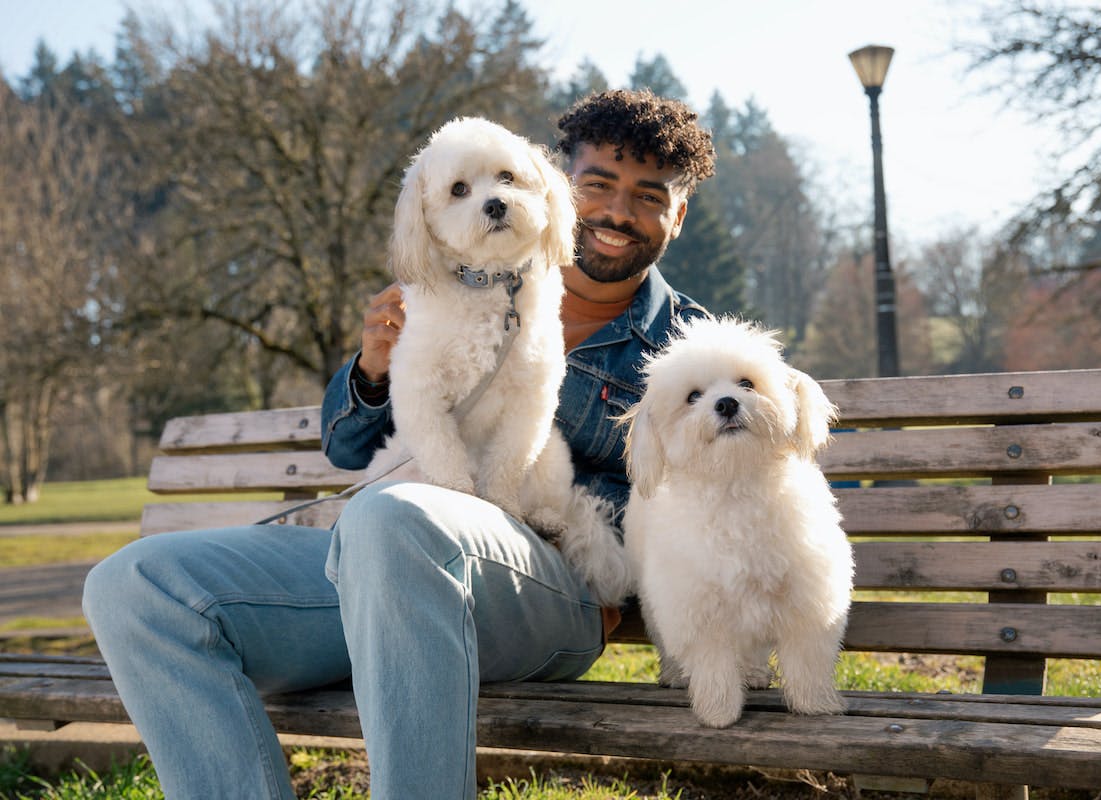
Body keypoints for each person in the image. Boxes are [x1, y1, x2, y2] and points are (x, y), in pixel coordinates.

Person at [83, 88, 716, 800]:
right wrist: (372, 369)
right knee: (135, 587)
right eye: (598, 183)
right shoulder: (449, 273)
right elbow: (347, 449)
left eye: (650, 196)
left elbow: (719, 504)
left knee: (395, 520)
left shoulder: (693, 352)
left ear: (678, 214)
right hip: (387, 555)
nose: (617, 212)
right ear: (565, 185)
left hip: (549, 586)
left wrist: (619, 568)